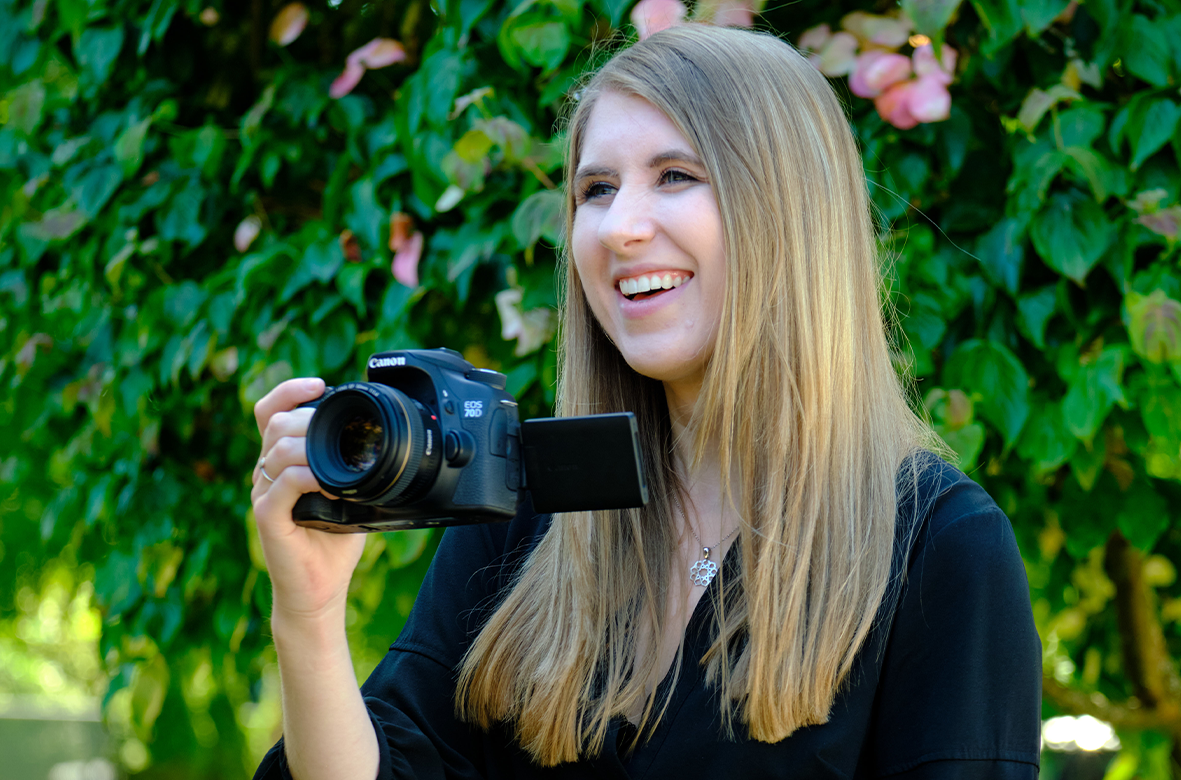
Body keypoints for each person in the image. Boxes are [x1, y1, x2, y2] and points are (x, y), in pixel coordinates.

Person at [248, 24, 1042, 780]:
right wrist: (310, 616)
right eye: (596, 188)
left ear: (789, 214)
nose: (619, 227)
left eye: (676, 176)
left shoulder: (938, 550)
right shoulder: (524, 509)